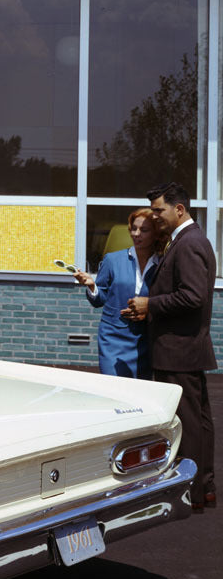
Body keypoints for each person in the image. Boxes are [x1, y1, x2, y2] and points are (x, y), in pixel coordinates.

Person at [126, 183, 217, 512]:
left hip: (179, 350)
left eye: (159, 210)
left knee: (187, 425)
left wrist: (151, 304)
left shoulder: (189, 243)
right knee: (199, 422)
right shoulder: (189, 240)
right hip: (186, 349)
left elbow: (193, 296)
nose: (155, 216)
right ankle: (202, 488)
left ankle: (191, 491)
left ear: (179, 209)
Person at [72, 208, 164, 379]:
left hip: (146, 340)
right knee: (114, 388)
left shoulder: (163, 264)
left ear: (156, 234)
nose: (137, 234)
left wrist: (148, 308)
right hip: (113, 339)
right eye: (134, 229)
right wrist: (92, 286)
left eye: (144, 230)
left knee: (139, 393)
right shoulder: (112, 260)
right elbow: (99, 300)